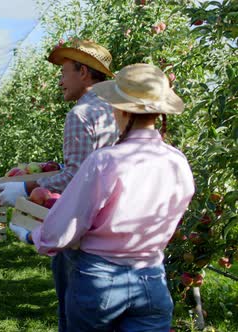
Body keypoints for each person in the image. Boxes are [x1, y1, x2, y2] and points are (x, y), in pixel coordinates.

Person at [10, 63, 195, 331]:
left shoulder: (105, 161)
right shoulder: (177, 162)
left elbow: (69, 222)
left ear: (120, 109)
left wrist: (32, 236)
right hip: (152, 278)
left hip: (101, 279)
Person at [0, 39, 119, 331]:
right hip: (112, 228)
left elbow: (79, 175)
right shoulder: (115, 112)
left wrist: (27, 188)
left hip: (80, 228)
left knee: (70, 312)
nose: (60, 81)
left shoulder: (80, 114)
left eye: (64, 72)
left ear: (84, 73)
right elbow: (97, 166)